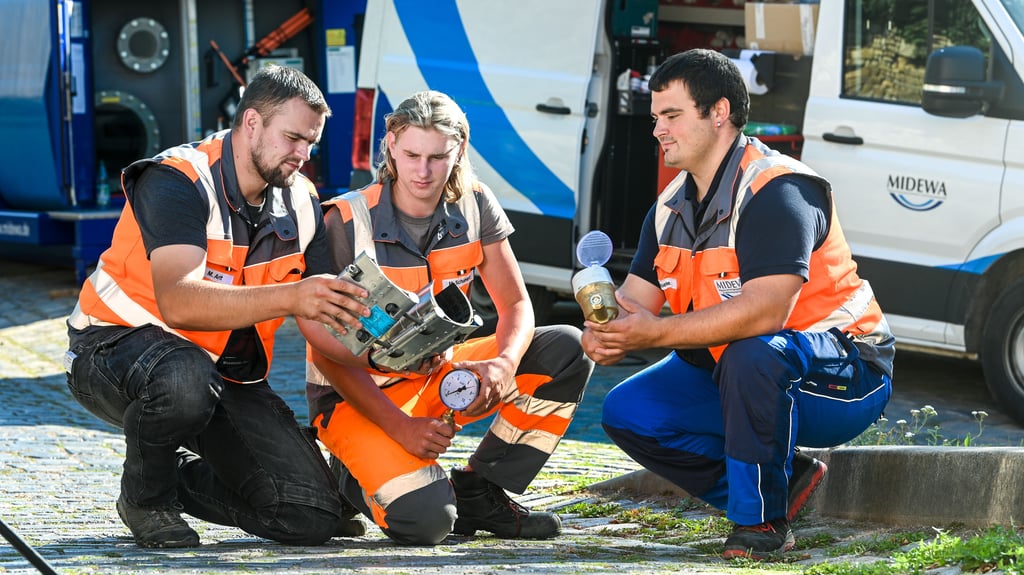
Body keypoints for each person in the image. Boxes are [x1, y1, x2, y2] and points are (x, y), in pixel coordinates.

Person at [582, 49, 895, 560]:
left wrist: (654, 332)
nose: (658, 129)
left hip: (846, 374)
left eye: (672, 115)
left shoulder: (779, 189)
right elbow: (634, 303)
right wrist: (607, 330)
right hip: (745, 368)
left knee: (754, 352)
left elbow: (764, 313)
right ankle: (783, 483)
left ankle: (762, 526)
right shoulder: (668, 206)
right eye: (655, 117)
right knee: (627, 411)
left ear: (719, 112)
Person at [64, 65, 372, 548]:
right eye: (292, 138)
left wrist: (386, 344)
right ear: (251, 122)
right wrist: (293, 296)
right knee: (184, 377)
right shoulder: (176, 179)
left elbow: (321, 317)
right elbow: (179, 301)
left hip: (227, 373)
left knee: (310, 517)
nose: (302, 155)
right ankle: (146, 500)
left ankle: (173, 477)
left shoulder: (304, 199)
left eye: (310, 142)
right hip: (111, 349)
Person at [298, 90, 594, 546]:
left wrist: (503, 365)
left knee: (567, 347)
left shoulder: (476, 202)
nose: (423, 171)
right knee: (427, 523)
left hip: (438, 376)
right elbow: (325, 350)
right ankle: (347, 477)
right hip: (355, 394)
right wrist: (399, 427)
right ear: (391, 143)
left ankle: (481, 489)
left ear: (460, 148)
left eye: (438, 157)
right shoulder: (343, 219)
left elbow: (516, 305)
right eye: (412, 154)